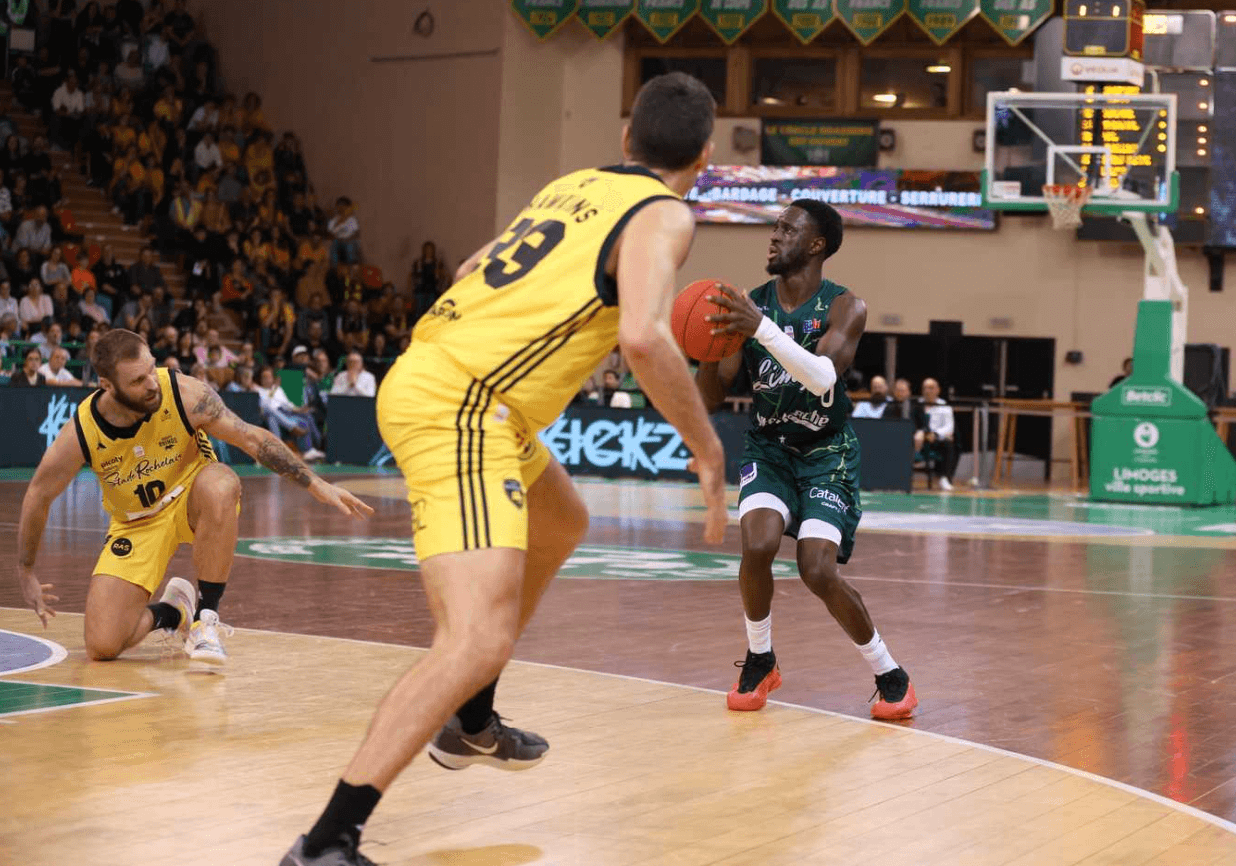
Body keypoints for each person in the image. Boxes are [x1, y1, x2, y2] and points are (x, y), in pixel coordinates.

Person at [281, 72, 727, 866]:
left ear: (626, 140)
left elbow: (468, 270)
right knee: (473, 638)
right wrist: (706, 445)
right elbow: (647, 337)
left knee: (562, 518)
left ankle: (472, 723)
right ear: (705, 155)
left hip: (455, 381)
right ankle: (326, 843)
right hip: (465, 404)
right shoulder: (664, 213)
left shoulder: (572, 187)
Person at [15, 329, 371, 666]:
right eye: (137, 381)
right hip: (136, 522)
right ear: (107, 385)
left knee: (222, 484)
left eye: (150, 370)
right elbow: (39, 494)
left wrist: (315, 484)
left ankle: (205, 619)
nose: (151, 384)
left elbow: (250, 438)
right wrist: (26, 569)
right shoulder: (83, 430)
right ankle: (175, 611)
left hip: (192, 496)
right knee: (102, 645)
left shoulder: (182, 392)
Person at [697, 199, 917, 721]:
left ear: (817, 245)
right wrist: (707, 348)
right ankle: (759, 658)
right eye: (774, 228)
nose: (774, 237)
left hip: (827, 452)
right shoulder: (749, 306)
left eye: (787, 229)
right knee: (758, 542)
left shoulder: (845, 306)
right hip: (770, 446)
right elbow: (711, 395)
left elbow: (822, 375)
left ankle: (891, 674)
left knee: (816, 568)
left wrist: (760, 330)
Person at [919, 378, 957, 491]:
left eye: (931, 388)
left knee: (949, 444)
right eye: (925, 388)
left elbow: (949, 427)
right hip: (918, 438)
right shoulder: (917, 405)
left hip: (935, 439)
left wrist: (935, 434)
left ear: (938, 390)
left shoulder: (945, 406)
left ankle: (944, 478)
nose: (927, 391)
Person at [886, 377, 928, 452]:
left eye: (902, 391)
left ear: (909, 392)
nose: (899, 393)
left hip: (912, 437)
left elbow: (924, 425)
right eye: (897, 390)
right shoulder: (889, 406)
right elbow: (883, 423)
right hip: (893, 437)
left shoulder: (916, 405)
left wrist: (921, 432)